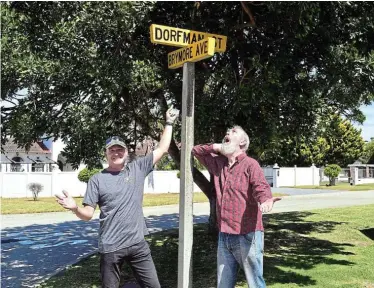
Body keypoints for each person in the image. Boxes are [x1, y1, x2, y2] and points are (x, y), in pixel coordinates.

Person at [55, 107, 179, 288]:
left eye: (119, 149)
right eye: (111, 150)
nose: (116, 153)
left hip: (138, 244)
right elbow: (88, 214)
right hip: (111, 247)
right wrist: (75, 208)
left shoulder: (137, 169)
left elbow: (162, 148)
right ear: (106, 154)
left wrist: (169, 122)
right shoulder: (96, 179)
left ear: (126, 152)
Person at [192, 125, 281, 288]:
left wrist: (266, 200)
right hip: (224, 234)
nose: (227, 133)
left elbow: (260, 186)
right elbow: (196, 150)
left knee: (255, 283)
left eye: (233, 132)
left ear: (242, 142)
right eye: (227, 132)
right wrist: (218, 147)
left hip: (247, 234)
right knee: (223, 284)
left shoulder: (250, 164)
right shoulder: (219, 163)